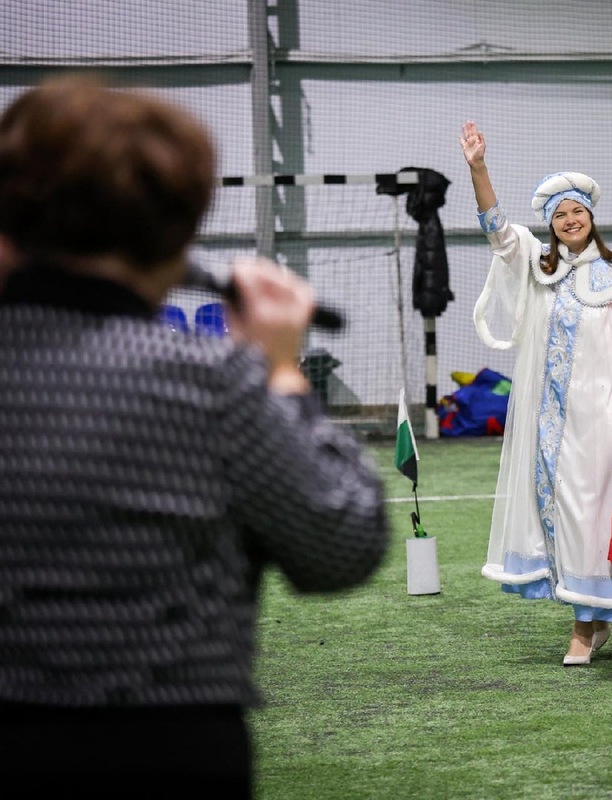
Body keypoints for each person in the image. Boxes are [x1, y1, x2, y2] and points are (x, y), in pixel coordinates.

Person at [0, 76, 391, 797]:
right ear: (174, 238)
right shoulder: (209, 380)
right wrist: (280, 370)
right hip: (165, 749)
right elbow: (340, 544)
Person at [458, 121, 612, 666]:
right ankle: (590, 617)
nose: (570, 221)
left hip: (603, 422)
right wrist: (478, 167)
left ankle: (583, 627)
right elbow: (498, 232)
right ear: (551, 224)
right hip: (548, 422)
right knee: (562, 516)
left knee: (592, 517)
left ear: (592, 217)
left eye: (578, 212)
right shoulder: (538, 268)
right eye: (560, 216)